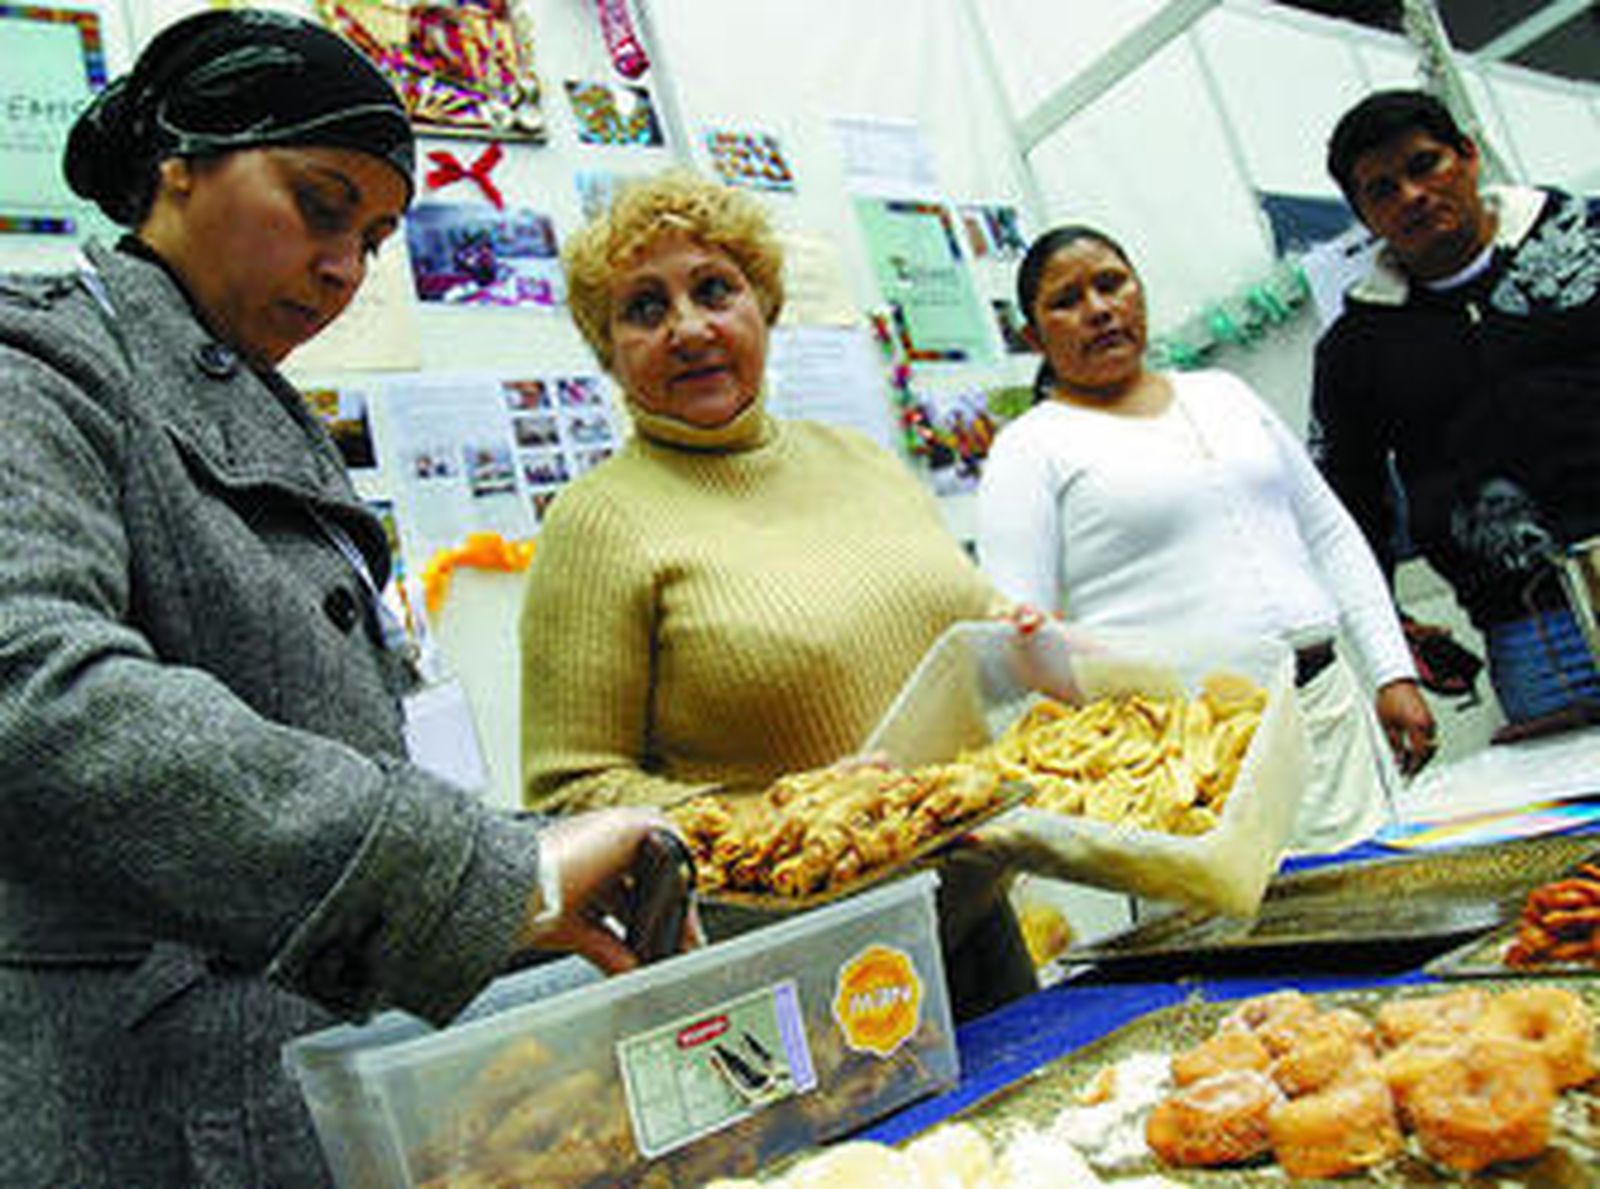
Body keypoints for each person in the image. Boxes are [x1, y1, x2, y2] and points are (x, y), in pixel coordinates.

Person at [0, 13, 695, 1187]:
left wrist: (509, 855)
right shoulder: (45, 368)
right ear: (182, 159)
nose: (345, 268)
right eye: (320, 207)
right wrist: (487, 878)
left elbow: (327, 746)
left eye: (374, 236)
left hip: (291, 1073)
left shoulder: (266, 409)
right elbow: (38, 693)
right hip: (128, 1101)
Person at [520, 168, 1037, 1020]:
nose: (689, 328)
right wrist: (780, 817)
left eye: (715, 289)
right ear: (607, 351)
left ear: (764, 304)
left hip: (978, 915)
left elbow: (970, 622)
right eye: (645, 308)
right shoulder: (597, 521)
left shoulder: (859, 457)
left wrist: (1028, 635)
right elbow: (572, 792)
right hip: (798, 967)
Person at [977, 225, 1436, 854]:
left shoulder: (1224, 395)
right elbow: (1017, 639)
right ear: (1034, 336)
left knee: (1388, 912)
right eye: (1067, 300)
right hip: (1189, 762)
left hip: (1328, 711)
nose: (1100, 309)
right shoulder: (1030, 448)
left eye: (1112, 284)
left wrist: (1391, 671)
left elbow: (1329, 534)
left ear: (1139, 289)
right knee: (1255, 950)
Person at [1313, 89, 1600, 736]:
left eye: (1424, 165)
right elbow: (1347, 506)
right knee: (1580, 829)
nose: (1411, 195)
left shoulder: (1586, 237)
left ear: (1467, 156)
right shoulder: (1355, 347)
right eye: (1382, 189)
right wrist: (1390, 644)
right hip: (1533, 634)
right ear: (1363, 215)